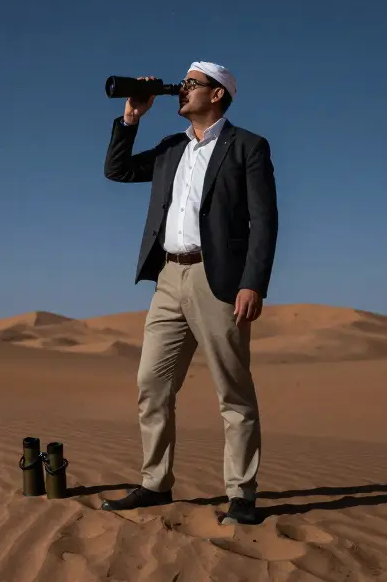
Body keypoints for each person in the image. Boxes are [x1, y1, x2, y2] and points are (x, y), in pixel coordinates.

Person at [100, 60, 278, 526]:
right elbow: (117, 171)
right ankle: (156, 484)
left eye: (191, 85)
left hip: (217, 280)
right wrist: (131, 119)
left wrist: (252, 282)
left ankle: (241, 495)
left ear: (217, 94)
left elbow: (264, 220)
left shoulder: (248, 147)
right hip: (167, 279)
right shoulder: (170, 149)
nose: (181, 92)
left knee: (233, 393)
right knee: (151, 384)